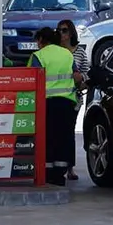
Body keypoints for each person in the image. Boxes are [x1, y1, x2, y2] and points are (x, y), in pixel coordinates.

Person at [27, 27, 82, 186]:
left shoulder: (38, 56)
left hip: (46, 102)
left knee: (47, 137)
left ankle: (47, 172)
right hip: (67, 102)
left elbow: (31, 79)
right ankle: (60, 174)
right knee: (63, 138)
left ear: (41, 40)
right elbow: (77, 76)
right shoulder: (67, 54)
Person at [56, 19, 90, 181]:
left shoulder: (79, 52)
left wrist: (81, 79)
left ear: (71, 33)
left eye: (64, 30)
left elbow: (86, 72)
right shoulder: (55, 51)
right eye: (59, 31)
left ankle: (70, 167)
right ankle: (58, 166)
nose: (61, 34)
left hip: (74, 98)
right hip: (57, 98)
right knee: (58, 132)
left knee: (69, 132)